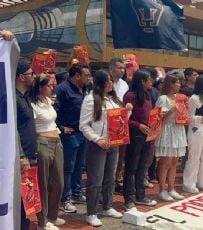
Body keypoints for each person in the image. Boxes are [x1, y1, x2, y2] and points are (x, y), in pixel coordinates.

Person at [79, 70, 131, 226]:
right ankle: (91, 212)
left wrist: (127, 111)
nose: (110, 83)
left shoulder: (114, 99)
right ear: (100, 83)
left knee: (110, 177)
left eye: (111, 81)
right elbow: (83, 125)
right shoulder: (91, 99)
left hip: (113, 143)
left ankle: (107, 205)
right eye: (107, 81)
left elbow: (120, 122)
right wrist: (97, 139)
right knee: (95, 179)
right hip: (98, 145)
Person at [30, 73, 65, 230]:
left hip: (56, 140)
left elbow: (53, 121)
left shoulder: (49, 101)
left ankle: (52, 215)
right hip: (42, 142)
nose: (52, 88)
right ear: (40, 87)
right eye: (49, 85)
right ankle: (42, 221)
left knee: (58, 182)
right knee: (43, 183)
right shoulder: (33, 104)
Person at [54, 64, 91, 213]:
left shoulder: (85, 89)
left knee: (79, 166)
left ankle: (77, 193)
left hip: (82, 132)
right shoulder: (62, 89)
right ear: (76, 76)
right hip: (69, 133)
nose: (89, 78)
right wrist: (62, 128)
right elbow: (53, 110)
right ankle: (65, 199)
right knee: (67, 168)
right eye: (86, 75)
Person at [123, 69, 158, 210]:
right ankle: (129, 198)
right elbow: (124, 118)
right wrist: (139, 125)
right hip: (135, 135)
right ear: (142, 81)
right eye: (149, 79)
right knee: (131, 167)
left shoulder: (147, 94)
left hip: (147, 135)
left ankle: (140, 195)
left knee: (142, 167)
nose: (151, 82)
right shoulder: (130, 96)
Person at [155, 75, 187, 201]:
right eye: (177, 83)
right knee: (165, 162)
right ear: (171, 84)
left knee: (174, 162)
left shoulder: (179, 98)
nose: (179, 85)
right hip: (168, 130)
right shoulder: (163, 98)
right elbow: (159, 118)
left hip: (178, 129)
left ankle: (171, 188)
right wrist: (171, 110)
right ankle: (162, 189)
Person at [183, 76, 203, 193]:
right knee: (194, 157)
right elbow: (188, 117)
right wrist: (202, 118)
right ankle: (189, 183)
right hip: (196, 130)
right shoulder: (194, 99)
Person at [15, 61, 37, 230]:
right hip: (21, 158)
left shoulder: (26, 97)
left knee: (27, 199)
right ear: (22, 77)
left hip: (30, 155)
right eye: (31, 74)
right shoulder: (14, 99)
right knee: (19, 200)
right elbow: (13, 130)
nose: (34, 76)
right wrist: (21, 155)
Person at [109, 58, 129, 194]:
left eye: (123, 68)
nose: (122, 70)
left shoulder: (124, 85)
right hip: (107, 123)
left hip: (122, 123)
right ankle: (107, 183)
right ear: (111, 69)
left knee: (121, 155)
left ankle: (117, 180)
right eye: (119, 67)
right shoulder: (105, 82)